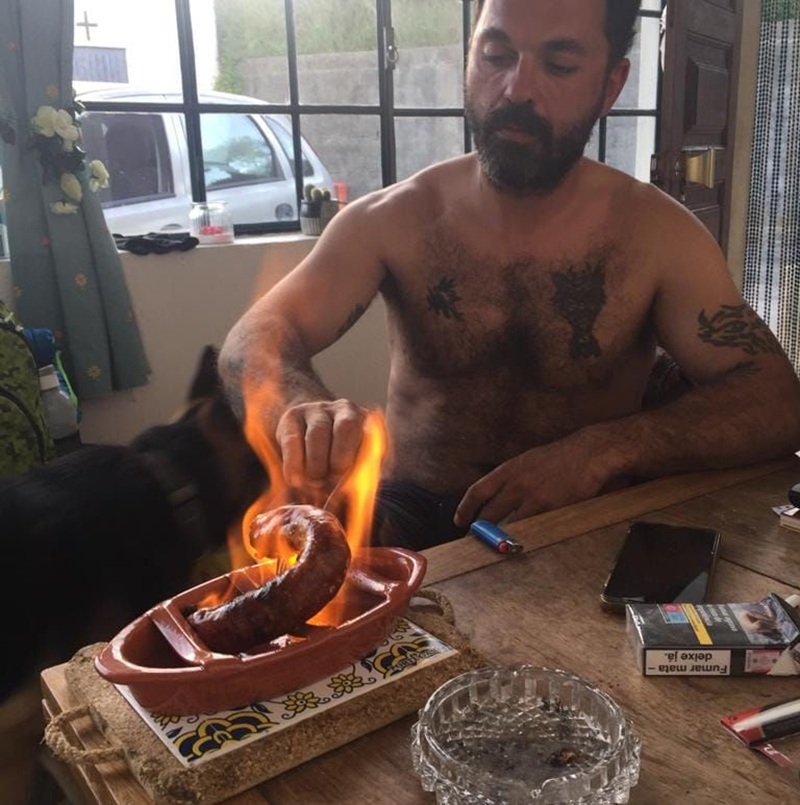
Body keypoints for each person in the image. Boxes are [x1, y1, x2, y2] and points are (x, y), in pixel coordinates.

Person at [219, 0, 800, 550]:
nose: (517, 89)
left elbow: (778, 400)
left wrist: (605, 450)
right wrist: (303, 410)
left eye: (559, 64)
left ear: (611, 86)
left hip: (582, 523)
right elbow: (250, 344)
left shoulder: (659, 237)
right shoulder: (394, 220)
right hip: (411, 517)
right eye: (495, 56)